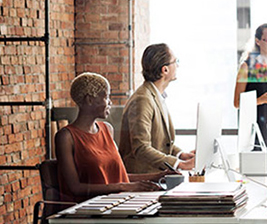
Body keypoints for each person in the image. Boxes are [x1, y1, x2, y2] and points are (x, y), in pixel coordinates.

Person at [56, 73, 164, 202]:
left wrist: (158, 176)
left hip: (114, 203)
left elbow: (119, 177)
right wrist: (124, 187)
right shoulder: (66, 137)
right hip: (87, 210)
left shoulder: (107, 129)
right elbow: (75, 188)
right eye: (106, 97)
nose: (110, 102)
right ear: (90, 100)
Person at [119, 43, 195, 173]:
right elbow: (141, 148)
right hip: (143, 180)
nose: (177, 65)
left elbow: (159, 141)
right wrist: (180, 165)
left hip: (156, 177)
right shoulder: (142, 99)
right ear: (164, 70)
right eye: (175, 61)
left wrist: (180, 155)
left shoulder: (156, 96)